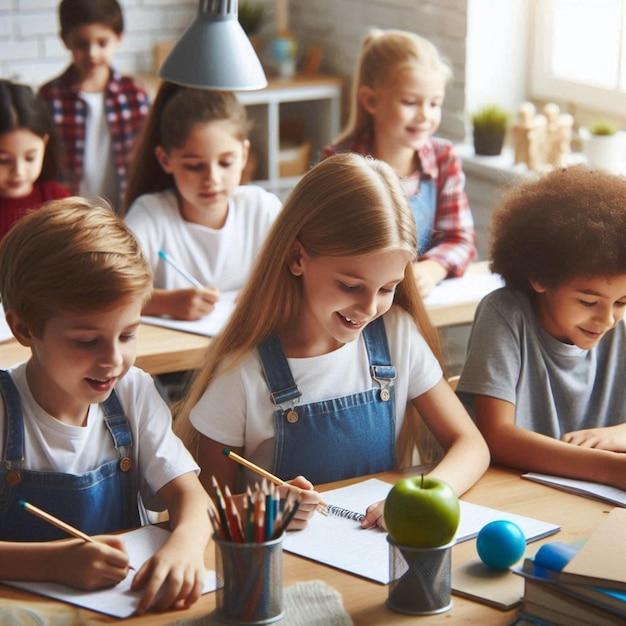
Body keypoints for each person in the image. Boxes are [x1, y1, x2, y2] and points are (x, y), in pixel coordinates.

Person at [173, 153, 490, 529]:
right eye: (350, 286)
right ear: (296, 257)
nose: (370, 307)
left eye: (389, 287)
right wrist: (262, 506)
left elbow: (471, 445)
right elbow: (204, 511)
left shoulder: (397, 335)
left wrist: (429, 492)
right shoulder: (244, 372)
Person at [0, 198, 211, 615]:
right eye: (86, 340)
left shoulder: (132, 393)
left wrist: (185, 547)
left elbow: (192, 496)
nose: (113, 359)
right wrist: (52, 563)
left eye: (128, 335)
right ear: (24, 328)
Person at [457, 165, 626, 491]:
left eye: (621, 302)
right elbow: (496, 436)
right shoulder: (505, 314)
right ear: (541, 277)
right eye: (589, 303)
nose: (606, 319)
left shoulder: (619, 327)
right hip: (512, 495)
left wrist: (620, 434)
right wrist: (612, 469)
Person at [321, 29, 476, 297]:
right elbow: (323, 247)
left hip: (421, 308)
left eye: (434, 103)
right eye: (410, 102)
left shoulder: (444, 159)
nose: (424, 116)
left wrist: (432, 269)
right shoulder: (340, 163)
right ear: (371, 100)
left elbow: (460, 239)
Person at [123, 82, 281, 321]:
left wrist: (268, 291)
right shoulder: (150, 215)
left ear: (244, 155)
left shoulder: (262, 208)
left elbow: (307, 273)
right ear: (165, 160)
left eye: (226, 163)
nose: (212, 179)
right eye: (194, 166)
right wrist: (165, 303)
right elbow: (107, 292)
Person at [38, 0, 149, 212]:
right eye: (81, 44)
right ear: (65, 40)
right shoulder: (49, 97)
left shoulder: (135, 94)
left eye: (102, 42)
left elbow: (148, 153)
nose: (92, 53)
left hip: (126, 209)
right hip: (70, 211)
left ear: (119, 37)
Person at [0, 79, 69, 240]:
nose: (19, 172)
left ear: (44, 144)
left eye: (30, 158)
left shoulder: (56, 200)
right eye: (3, 160)